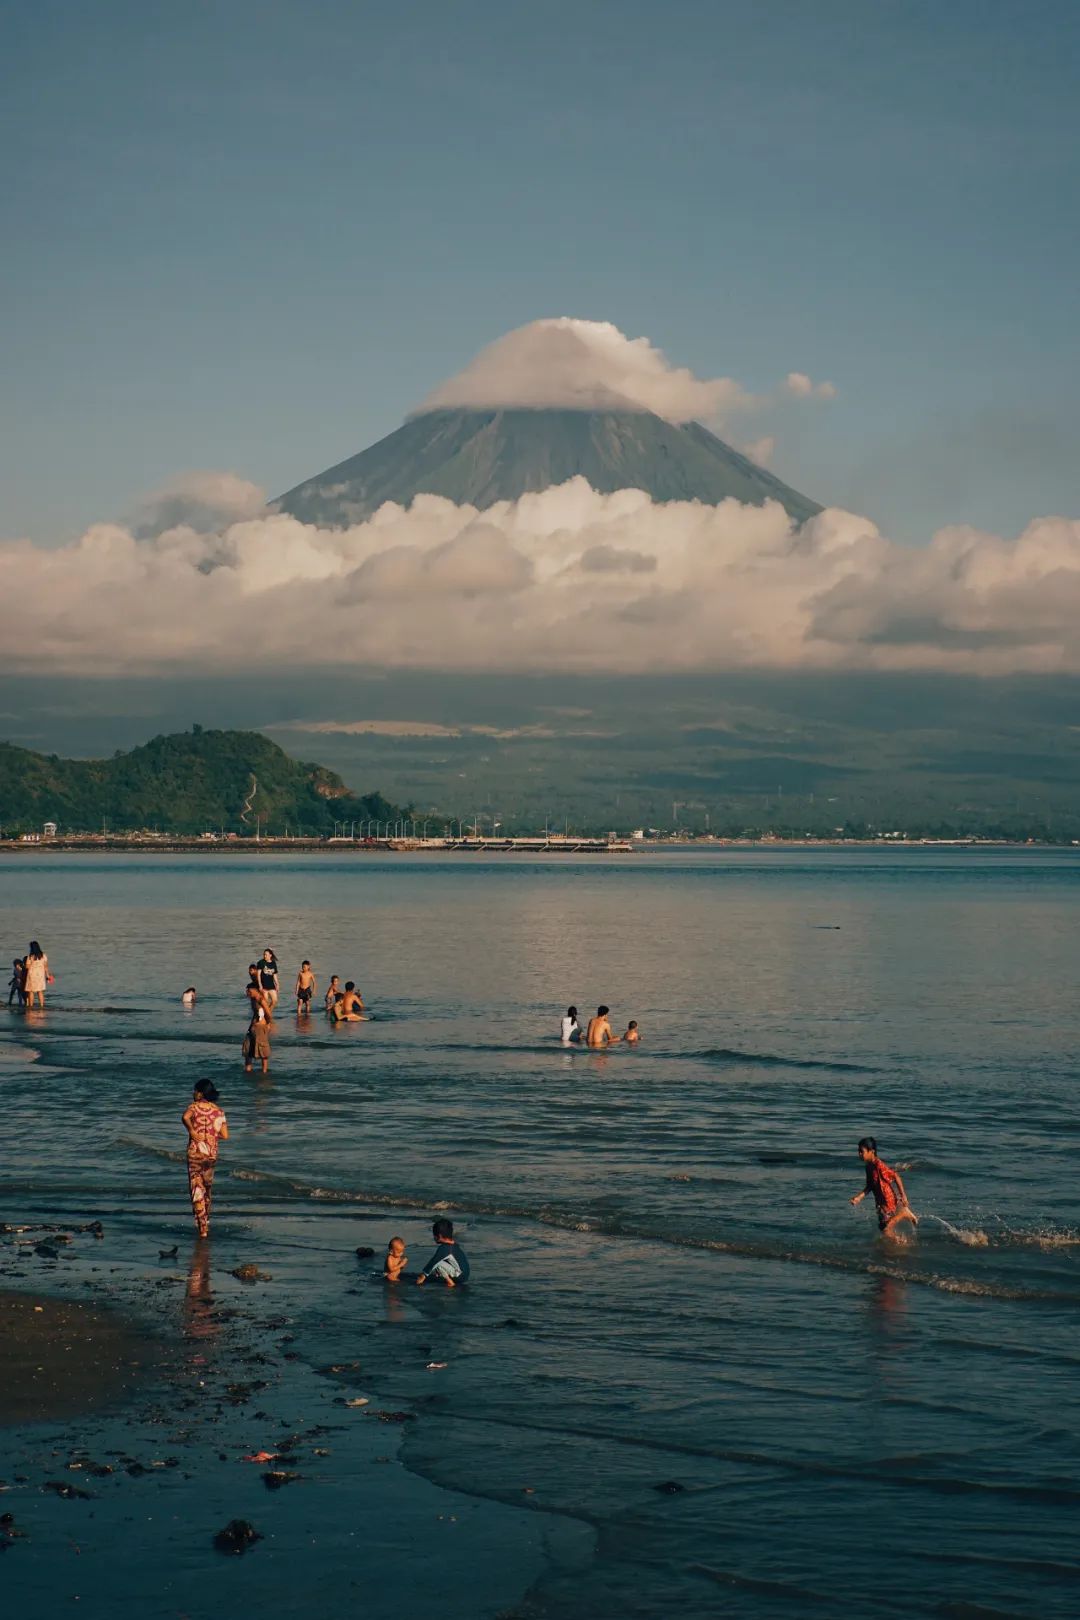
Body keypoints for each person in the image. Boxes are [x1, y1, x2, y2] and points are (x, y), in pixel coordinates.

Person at [182, 1079, 229, 1239]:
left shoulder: (193, 1107)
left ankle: (202, 1229)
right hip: (211, 1154)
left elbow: (185, 1117)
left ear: (200, 1093)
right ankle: (205, 1221)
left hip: (195, 1153)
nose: (193, 1093)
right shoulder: (219, 1111)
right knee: (207, 1188)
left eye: (194, 1091)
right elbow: (225, 1135)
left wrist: (193, 1132)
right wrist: (211, 1135)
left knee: (196, 1188)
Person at [850, 1136, 918, 1239]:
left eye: (862, 1151)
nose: (859, 1154)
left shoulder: (879, 1165)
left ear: (871, 1151)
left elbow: (896, 1176)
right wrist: (859, 1197)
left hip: (888, 1200)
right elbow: (869, 1186)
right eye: (858, 1151)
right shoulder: (868, 1167)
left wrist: (903, 1196)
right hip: (880, 1203)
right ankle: (898, 1244)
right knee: (883, 1228)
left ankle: (903, 1214)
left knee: (887, 1229)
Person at [416, 1218, 469, 1288]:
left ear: (440, 1236)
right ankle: (449, 1278)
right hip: (465, 1274)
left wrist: (423, 1276)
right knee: (440, 1263)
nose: (434, 1237)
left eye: (434, 1235)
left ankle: (450, 1283)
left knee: (437, 1264)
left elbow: (433, 1262)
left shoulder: (444, 1248)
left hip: (460, 1277)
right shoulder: (454, 1245)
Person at [243, 964, 272, 1074]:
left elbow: (269, 1014)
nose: (247, 993)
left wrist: (267, 1024)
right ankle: (248, 1070)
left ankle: (264, 1072)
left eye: (249, 991)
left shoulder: (261, 999)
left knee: (263, 1052)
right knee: (247, 1048)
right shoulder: (252, 999)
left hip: (261, 1026)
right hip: (253, 1026)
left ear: (255, 990)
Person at [23, 941, 49, 1010]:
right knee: (40, 991)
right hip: (40, 975)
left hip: (32, 975)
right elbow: (46, 966)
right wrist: (48, 976)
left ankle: (31, 1006)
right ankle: (42, 1005)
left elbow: (27, 967)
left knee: (31, 991)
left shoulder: (30, 956)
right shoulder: (43, 955)